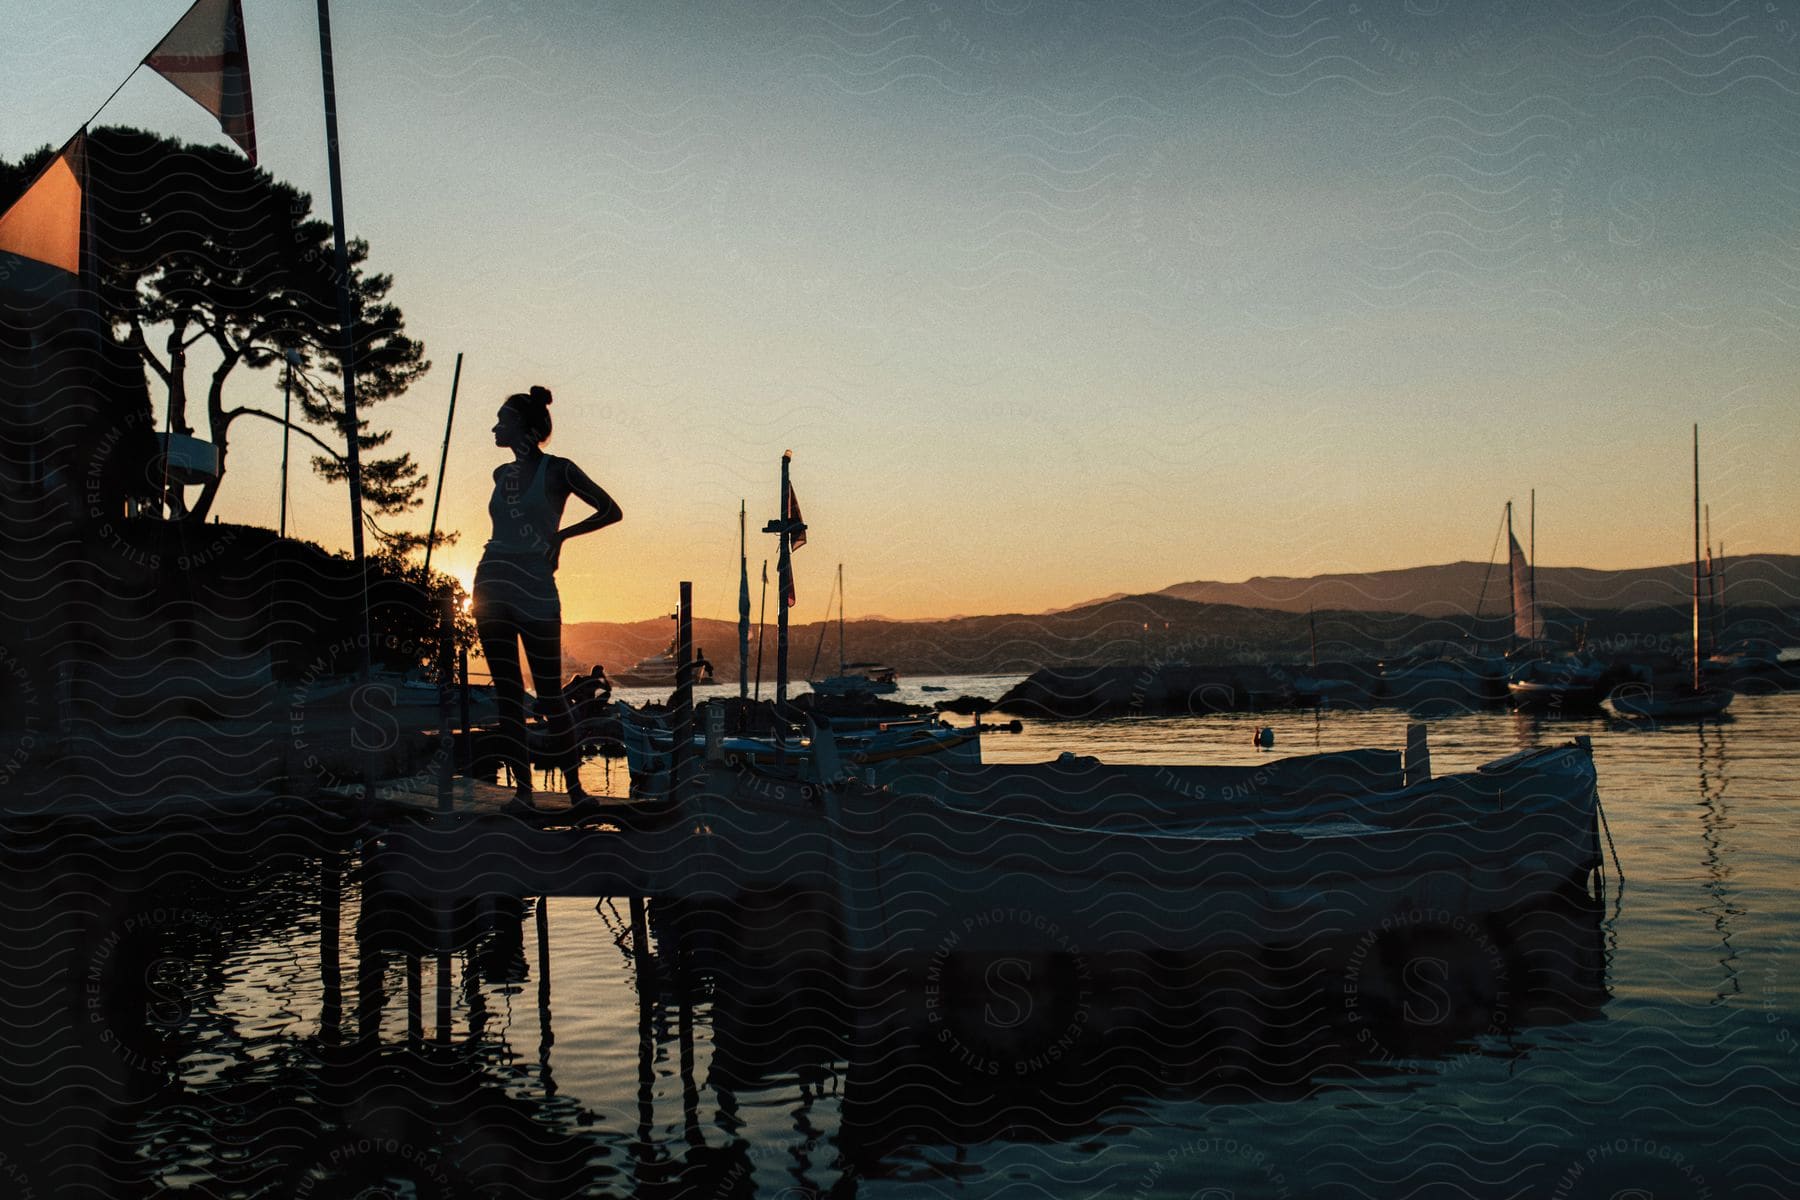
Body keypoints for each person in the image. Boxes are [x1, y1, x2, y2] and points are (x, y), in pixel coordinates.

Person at [473, 385, 621, 817]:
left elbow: (610, 509)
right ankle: (524, 793)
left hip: (536, 587)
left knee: (551, 693)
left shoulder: (559, 470)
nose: (495, 427)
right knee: (507, 693)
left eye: (503, 420)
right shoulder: (500, 475)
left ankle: (576, 790)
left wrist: (562, 536)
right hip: (491, 583)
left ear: (524, 426)